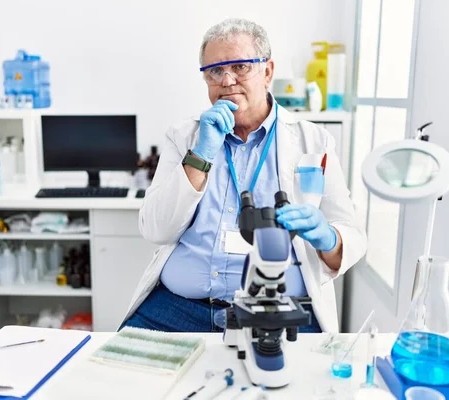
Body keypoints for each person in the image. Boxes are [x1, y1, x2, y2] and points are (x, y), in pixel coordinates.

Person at [120, 18, 366, 333]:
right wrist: (201, 154)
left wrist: (329, 237)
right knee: (117, 377)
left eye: (240, 67)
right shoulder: (184, 137)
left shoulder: (314, 141)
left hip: (277, 312)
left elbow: (353, 237)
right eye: (214, 71)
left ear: (268, 71)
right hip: (177, 310)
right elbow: (156, 228)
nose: (226, 80)